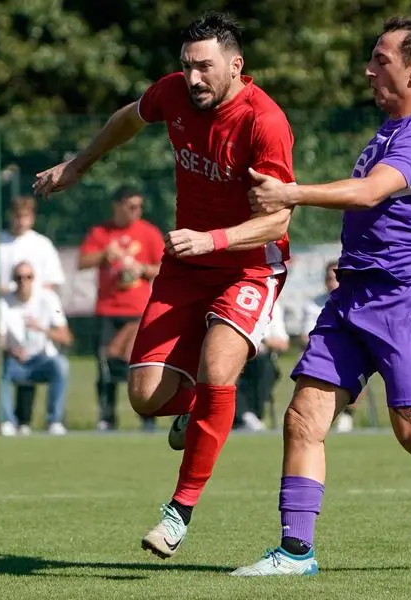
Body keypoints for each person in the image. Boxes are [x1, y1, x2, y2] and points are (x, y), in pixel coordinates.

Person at [232, 16, 411, 576]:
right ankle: (295, 551)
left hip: (403, 303)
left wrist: (291, 192)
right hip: (351, 297)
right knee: (303, 418)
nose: (369, 69)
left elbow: (367, 192)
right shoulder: (387, 133)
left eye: (381, 59)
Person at [34, 11, 296, 559]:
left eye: (205, 67)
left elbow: (279, 219)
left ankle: (179, 510)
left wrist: (215, 240)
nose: (194, 78)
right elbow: (129, 119)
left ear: (235, 65)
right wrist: (80, 164)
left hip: (249, 266)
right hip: (185, 267)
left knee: (219, 367)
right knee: (144, 397)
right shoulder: (173, 94)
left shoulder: (264, 121)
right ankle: (200, 408)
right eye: (187, 66)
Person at [0, 195, 66, 433]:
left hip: (32, 319)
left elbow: (52, 281)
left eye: (25, 216)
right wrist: (7, 291)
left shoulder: (41, 244)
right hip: (3, 317)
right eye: (17, 216)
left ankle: (24, 420)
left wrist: (31, 298)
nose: (21, 221)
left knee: (33, 365)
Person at [78, 186, 165, 432]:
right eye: (131, 206)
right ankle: (107, 417)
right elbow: (82, 261)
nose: (136, 211)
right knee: (106, 365)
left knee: (142, 366)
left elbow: (164, 267)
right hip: (108, 309)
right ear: (117, 206)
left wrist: (143, 270)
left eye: (139, 206)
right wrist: (104, 254)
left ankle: (148, 418)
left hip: (138, 310)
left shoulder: (148, 233)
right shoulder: (101, 233)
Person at [0, 261, 73, 436]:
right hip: (16, 362)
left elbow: (66, 337)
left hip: (41, 360)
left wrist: (42, 329)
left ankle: (54, 420)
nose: (23, 281)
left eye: (28, 277)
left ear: (34, 279)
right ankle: (7, 421)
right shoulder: (4, 303)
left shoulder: (49, 299)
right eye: (19, 277)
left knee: (60, 365)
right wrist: (12, 351)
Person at [301, 260, 356, 432]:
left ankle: (345, 414)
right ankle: (313, 413)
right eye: (329, 278)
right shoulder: (314, 304)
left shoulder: (356, 303)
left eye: (335, 278)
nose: (332, 282)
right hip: (319, 350)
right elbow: (305, 336)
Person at [234, 300, 289, 431]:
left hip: (262, 357)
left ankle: (253, 416)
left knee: (265, 367)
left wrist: (260, 340)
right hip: (236, 355)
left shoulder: (273, 306)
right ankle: (245, 416)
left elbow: (283, 344)